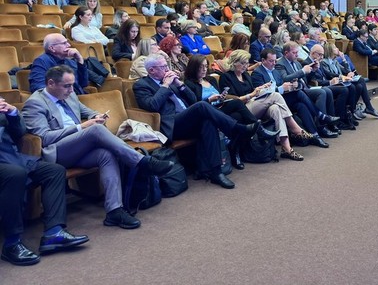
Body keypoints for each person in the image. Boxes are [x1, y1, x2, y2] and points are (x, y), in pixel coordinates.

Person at [23, 65, 173, 230]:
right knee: (94, 129)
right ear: (51, 83)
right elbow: (44, 138)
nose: (71, 90)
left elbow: (88, 111)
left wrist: (96, 116)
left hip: (77, 148)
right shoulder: (35, 104)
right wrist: (82, 126)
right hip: (56, 152)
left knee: (105, 154)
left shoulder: (70, 95)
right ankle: (143, 162)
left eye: (72, 85)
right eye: (66, 86)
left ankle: (114, 210)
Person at [133, 55, 263, 189]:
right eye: (163, 67)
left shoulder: (172, 81)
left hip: (187, 119)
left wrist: (179, 84)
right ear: (152, 70)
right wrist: (165, 85)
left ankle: (216, 172)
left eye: (167, 66)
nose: (167, 69)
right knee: (202, 106)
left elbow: (192, 98)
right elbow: (152, 105)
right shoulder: (141, 85)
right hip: (171, 125)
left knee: (208, 122)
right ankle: (237, 129)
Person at [0, 96, 89, 266]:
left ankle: (53, 232)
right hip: (7, 164)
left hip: (12, 157)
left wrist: (11, 112)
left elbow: (19, 132)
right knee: (16, 174)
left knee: (54, 170)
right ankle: (11, 243)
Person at [183, 55, 276, 170]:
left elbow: (221, 96)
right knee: (237, 106)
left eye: (206, 66)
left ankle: (235, 150)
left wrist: (221, 97)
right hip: (206, 114)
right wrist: (209, 100)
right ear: (193, 67)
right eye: (201, 67)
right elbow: (194, 105)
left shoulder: (210, 79)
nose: (204, 69)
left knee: (237, 115)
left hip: (220, 107)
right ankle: (257, 132)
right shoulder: (189, 84)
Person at [218, 50, 307, 161]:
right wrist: (251, 94)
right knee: (275, 95)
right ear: (234, 62)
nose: (246, 66)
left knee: (276, 109)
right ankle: (296, 129)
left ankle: (287, 148)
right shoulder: (226, 77)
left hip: (253, 104)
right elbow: (232, 101)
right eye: (243, 63)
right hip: (241, 109)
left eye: (246, 63)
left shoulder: (245, 75)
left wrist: (261, 89)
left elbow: (254, 93)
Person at [251, 47, 330, 148]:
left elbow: (282, 84)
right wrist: (281, 89)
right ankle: (320, 115)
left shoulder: (275, 71)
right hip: (268, 105)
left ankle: (315, 135)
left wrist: (291, 86)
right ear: (263, 60)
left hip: (282, 100)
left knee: (301, 105)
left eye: (275, 60)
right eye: (271, 61)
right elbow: (261, 94)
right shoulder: (257, 73)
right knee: (299, 94)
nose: (274, 63)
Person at [275, 42, 341, 139]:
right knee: (322, 92)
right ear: (286, 53)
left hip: (304, 88)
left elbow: (305, 79)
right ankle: (321, 124)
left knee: (327, 91)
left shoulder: (296, 62)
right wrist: (302, 71)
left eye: (297, 52)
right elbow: (285, 79)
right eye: (294, 52)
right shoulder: (280, 64)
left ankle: (328, 123)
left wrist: (312, 71)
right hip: (293, 94)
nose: (297, 55)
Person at [320, 41, 378, 123]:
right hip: (335, 83)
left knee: (360, 85)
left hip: (343, 80)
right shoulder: (324, 62)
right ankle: (362, 109)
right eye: (335, 48)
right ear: (329, 50)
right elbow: (329, 74)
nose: (337, 49)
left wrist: (344, 60)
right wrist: (343, 76)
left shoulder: (335, 61)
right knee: (354, 85)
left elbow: (346, 70)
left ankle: (355, 109)